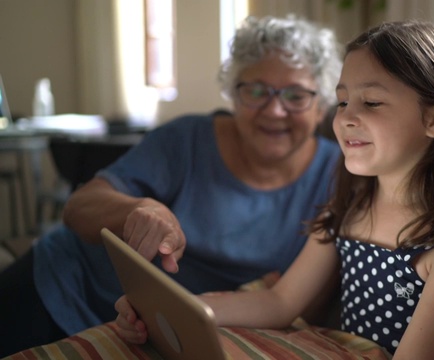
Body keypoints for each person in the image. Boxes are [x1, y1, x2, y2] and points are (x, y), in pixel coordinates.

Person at [116, 20, 434, 359]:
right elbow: (280, 302)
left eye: (371, 102)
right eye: (344, 100)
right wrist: (172, 310)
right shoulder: (351, 205)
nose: (346, 117)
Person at [0, 15, 343, 356]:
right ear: (233, 96)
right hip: (62, 285)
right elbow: (78, 207)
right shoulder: (187, 139)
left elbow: (302, 305)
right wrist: (140, 208)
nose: (275, 110)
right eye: (255, 91)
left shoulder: (337, 176)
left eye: (296, 96)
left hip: (161, 330)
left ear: (322, 106)